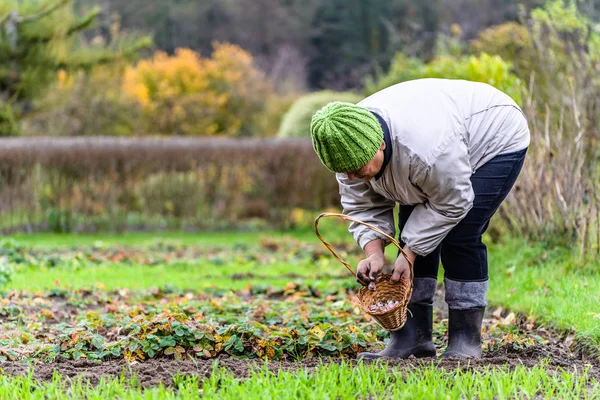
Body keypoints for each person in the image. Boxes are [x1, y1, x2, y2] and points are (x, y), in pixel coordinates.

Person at [310, 78, 529, 359]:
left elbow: (453, 202)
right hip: (436, 141)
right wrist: (374, 252)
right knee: (411, 232)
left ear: (378, 144)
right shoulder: (346, 145)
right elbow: (361, 205)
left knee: (461, 235)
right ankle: (412, 338)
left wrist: (409, 253)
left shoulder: (427, 150)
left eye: (357, 168)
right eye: (344, 172)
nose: (352, 176)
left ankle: (465, 340)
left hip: (494, 135)